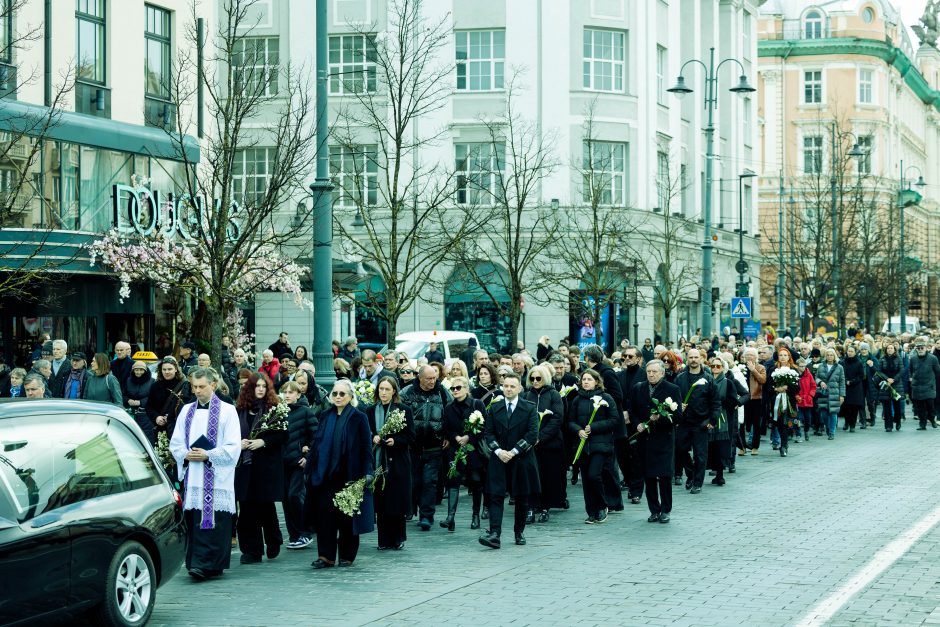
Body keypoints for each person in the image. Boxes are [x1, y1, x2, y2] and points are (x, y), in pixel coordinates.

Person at [169, 368, 241, 581]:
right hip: (194, 475)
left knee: (213, 522)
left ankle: (212, 564)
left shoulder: (228, 411)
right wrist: (186, 454)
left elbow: (233, 445)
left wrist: (208, 455)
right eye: (194, 387)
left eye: (201, 387)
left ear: (213, 385)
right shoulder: (186, 410)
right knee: (195, 522)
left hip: (216, 477)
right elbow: (176, 442)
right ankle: (196, 563)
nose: (197, 391)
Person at [306, 378, 374, 568]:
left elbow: (366, 447)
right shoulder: (326, 415)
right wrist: (310, 467)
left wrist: (367, 471)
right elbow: (317, 443)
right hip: (325, 474)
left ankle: (347, 555)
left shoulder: (359, 417)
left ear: (350, 396)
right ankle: (325, 556)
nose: (337, 397)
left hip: (349, 474)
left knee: (347, 517)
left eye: (342, 393)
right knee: (325, 516)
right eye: (334, 393)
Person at [478, 373, 540, 549]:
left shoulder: (529, 408)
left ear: (520, 388)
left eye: (512, 386)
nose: (508, 389)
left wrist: (513, 452)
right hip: (499, 458)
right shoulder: (495, 407)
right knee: (496, 495)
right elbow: (488, 433)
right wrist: (498, 451)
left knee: (521, 497)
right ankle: (494, 533)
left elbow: (531, 435)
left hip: (521, 459)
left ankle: (519, 532)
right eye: (505, 386)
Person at [234, 373, 286, 564]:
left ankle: (273, 540)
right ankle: (251, 550)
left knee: (265, 506)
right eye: (257, 386)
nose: (261, 389)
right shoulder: (239, 410)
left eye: (264, 386)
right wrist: (238, 443)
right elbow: (230, 433)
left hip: (266, 466)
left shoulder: (274, 409)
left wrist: (262, 441)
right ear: (250, 388)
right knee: (247, 508)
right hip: (245, 465)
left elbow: (282, 435)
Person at [628, 360, 681, 523]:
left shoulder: (672, 389)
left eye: (654, 372)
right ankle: (654, 509)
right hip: (644, 439)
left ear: (662, 373)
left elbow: (678, 415)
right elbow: (633, 410)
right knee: (648, 476)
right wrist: (638, 423)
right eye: (649, 372)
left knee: (664, 476)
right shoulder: (638, 388)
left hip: (663, 439)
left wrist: (659, 419)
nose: (651, 374)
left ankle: (666, 509)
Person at [400, 365, 451, 530]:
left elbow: (451, 413)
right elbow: (398, 414)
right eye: (428, 378)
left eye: (434, 378)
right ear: (420, 378)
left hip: (434, 446)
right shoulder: (407, 392)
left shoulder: (442, 392)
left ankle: (427, 516)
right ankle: (410, 509)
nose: (432, 381)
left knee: (429, 482)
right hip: (412, 447)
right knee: (414, 481)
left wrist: (448, 435)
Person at [367, 376, 414, 549]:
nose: (384, 393)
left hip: (397, 463)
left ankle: (398, 537)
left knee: (396, 502)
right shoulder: (370, 411)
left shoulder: (403, 410)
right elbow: (367, 433)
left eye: (387, 389)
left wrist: (395, 441)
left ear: (394, 391)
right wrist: (374, 437)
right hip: (378, 462)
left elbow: (410, 436)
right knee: (380, 503)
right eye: (381, 389)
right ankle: (383, 540)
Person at [567, 369, 618, 524]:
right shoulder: (577, 399)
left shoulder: (606, 397)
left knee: (594, 475)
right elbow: (570, 421)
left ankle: (602, 505)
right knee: (586, 481)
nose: (586, 382)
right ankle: (591, 511)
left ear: (597, 381)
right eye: (584, 379)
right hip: (583, 446)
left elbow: (614, 420)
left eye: (589, 379)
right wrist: (578, 430)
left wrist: (594, 427)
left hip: (600, 445)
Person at [441, 375, 486, 531]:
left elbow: (483, 427)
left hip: (473, 450)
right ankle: (450, 517)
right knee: (453, 481)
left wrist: (469, 437)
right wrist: (456, 437)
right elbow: (446, 427)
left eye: (458, 387)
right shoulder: (448, 407)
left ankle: (475, 516)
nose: (455, 390)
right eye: (453, 388)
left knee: (476, 481)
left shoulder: (477, 404)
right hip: (455, 448)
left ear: (467, 389)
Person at [522, 364, 565, 522]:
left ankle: (546, 507)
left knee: (548, 476)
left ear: (545, 378)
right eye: (532, 378)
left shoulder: (554, 395)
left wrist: (541, 436)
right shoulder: (527, 396)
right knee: (532, 476)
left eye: (538, 378)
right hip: (531, 445)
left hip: (549, 444)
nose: (534, 381)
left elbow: (557, 418)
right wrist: (530, 437)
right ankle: (532, 507)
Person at [674, 348, 719, 494]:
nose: (693, 360)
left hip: (701, 422)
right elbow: (673, 399)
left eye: (696, 357)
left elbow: (715, 401)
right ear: (687, 359)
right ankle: (691, 474)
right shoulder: (680, 378)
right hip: (684, 422)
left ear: (701, 359)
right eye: (691, 357)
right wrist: (678, 407)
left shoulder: (708, 379)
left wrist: (712, 420)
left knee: (700, 455)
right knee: (680, 450)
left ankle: (697, 482)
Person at [281, 381, 318, 550]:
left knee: (295, 496)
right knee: (286, 500)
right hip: (282, 463)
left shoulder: (305, 412)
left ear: (298, 395)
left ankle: (305, 532)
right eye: (285, 392)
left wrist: (308, 455)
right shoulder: (278, 412)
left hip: (298, 462)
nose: (288, 395)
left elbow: (316, 436)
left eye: (291, 392)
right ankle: (294, 535)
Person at [147, 357, 187, 440]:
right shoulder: (155, 385)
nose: (167, 372)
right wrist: (156, 417)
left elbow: (187, 406)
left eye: (170, 369)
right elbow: (149, 406)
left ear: (176, 369)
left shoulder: (184, 385)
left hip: (178, 428)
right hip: (161, 429)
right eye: (164, 369)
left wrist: (170, 416)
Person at [908, 339, 940, 430]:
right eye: (918, 348)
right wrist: (911, 378)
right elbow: (910, 370)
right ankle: (922, 424)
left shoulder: (933, 358)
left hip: (929, 386)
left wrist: (932, 381)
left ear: (926, 348)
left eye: (922, 348)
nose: (920, 349)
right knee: (920, 407)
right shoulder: (913, 358)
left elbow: (938, 371)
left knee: (930, 406)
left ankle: (932, 419)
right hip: (917, 386)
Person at [741, 348, 767, 456]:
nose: (749, 357)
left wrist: (753, 370)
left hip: (756, 398)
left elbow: (762, 380)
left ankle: (755, 446)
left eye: (751, 355)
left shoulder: (760, 367)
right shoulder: (741, 367)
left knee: (756, 424)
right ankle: (742, 446)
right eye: (747, 355)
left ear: (756, 357)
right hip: (743, 398)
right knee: (741, 423)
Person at [816, 348, 846, 440]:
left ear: (834, 356)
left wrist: (842, 395)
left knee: (833, 413)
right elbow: (816, 377)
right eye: (828, 355)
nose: (829, 356)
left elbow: (842, 382)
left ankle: (832, 432)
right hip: (823, 393)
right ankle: (828, 427)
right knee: (824, 414)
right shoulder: (821, 366)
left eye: (831, 355)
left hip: (835, 393)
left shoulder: (839, 367)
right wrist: (820, 382)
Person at [125, 361, 155, 444]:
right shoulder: (128, 381)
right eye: (136, 370)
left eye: (141, 370)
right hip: (131, 414)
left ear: (145, 371)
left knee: (146, 438)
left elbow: (154, 397)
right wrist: (128, 400)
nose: (138, 372)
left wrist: (140, 402)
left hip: (146, 415)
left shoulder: (152, 381)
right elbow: (123, 394)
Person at [879, 343, 906, 432]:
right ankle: (888, 425)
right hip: (886, 384)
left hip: (896, 384)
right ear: (886, 350)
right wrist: (887, 379)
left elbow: (902, 370)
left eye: (891, 348)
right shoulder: (882, 359)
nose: (890, 349)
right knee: (886, 406)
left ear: (894, 350)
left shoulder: (898, 359)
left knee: (897, 405)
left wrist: (894, 379)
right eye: (888, 348)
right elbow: (879, 371)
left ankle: (898, 422)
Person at [840, 345, 865, 433]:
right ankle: (847, 422)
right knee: (846, 407)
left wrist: (852, 381)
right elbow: (841, 373)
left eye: (852, 351)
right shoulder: (843, 362)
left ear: (855, 352)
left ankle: (852, 425)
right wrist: (846, 380)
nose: (850, 353)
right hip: (845, 386)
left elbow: (861, 375)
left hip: (856, 387)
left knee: (854, 407)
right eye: (849, 351)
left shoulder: (859, 362)